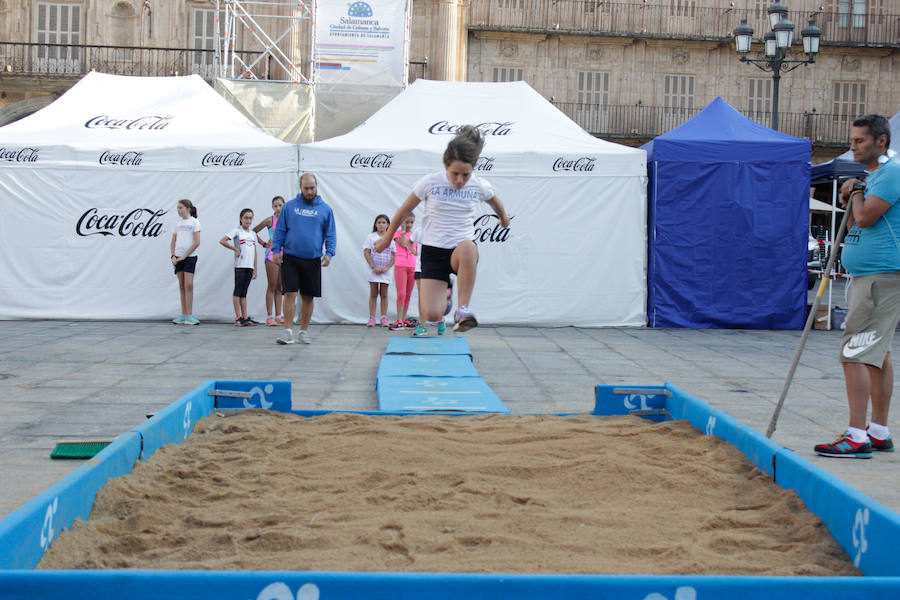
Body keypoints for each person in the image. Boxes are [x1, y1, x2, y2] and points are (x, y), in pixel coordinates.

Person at [815, 114, 900, 459]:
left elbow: (867, 218)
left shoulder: (891, 172)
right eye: (852, 140)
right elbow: (855, 224)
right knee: (877, 355)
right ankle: (877, 431)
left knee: (853, 353)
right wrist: (853, 195)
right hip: (871, 275)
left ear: (881, 141)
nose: (852, 146)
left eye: (859, 141)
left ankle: (856, 435)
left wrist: (860, 192)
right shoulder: (876, 175)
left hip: (881, 276)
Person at [374, 125, 510, 334]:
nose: (459, 180)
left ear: (472, 169)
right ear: (446, 165)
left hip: (460, 249)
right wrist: (386, 239)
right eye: (455, 173)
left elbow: (495, 202)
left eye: (465, 175)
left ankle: (463, 310)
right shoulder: (429, 183)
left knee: (468, 248)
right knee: (432, 314)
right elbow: (404, 210)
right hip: (433, 251)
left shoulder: (478, 185)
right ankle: (446, 292)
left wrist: (504, 218)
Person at [271, 173, 336, 345]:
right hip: (291, 257)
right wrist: (276, 250)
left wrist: (329, 253)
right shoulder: (289, 207)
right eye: (306, 188)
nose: (309, 191)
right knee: (290, 293)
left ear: (317, 187)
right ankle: (287, 331)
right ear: (300, 187)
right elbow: (280, 230)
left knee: (308, 296)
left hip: (313, 259)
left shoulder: (325, 209)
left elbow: (330, 234)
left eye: (312, 188)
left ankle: (303, 331)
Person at [220, 208, 259, 327]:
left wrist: (255, 268)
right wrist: (235, 249)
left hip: (249, 266)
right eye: (246, 218)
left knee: (244, 292)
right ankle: (238, 317)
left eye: (250, 218)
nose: (248, 220)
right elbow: (223, 240)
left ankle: (245, 316)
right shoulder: (237, 231)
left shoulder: (252, 234)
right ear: (241, 219)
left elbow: (255, 251)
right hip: (240, 265)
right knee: (238, 291)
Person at [253, 196, 285, 326]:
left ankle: (278, 315)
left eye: (280, 205)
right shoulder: (269, 220)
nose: (278, 208)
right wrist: (263, 243)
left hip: (284, 255)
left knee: (280, 286)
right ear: (272, 207)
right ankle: (269, 316)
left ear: (284, 206)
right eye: (275, 206)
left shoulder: (288, 220)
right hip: (271, 254)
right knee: (271, 285)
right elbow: (253, 231)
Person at [170, 199, 201, 325]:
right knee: (182, 285)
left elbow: (197, 242)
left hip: (190, 257)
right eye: (177, 208)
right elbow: (173, 241)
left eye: (181, 207)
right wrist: (173, 255)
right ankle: (183, 314)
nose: (179, 210)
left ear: (188, 208)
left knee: (189, 285)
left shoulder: (195, 222)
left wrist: (185, 256)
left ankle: (190, 314)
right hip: (178, 257)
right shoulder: (177, 224)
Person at [363, 214, 395, 327]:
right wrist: (373, 267)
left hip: (385, 271)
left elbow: (395, 255)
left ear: (388, 225)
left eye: (384, 222)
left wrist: (387, 267)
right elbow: (366, 252)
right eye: (379, 222)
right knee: (373, 293)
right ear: (375, 224)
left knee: (384, 294)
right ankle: (372, 318)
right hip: (374, 270)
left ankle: (384, 317)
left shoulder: (391, 238)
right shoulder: (371, 237)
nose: (381, 225)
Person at [390, 213, 418, 329]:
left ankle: (404, 318)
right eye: (407, 222)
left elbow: (416, 251)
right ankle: (399, 320)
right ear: (402, 222)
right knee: (401, 293)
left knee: (408, 294)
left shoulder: (414, 235)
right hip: (401, 266)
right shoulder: (397, 233)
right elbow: (402, 243)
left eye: (411, 222)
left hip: (412, 266)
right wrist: (402, 229)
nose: (409, 225)